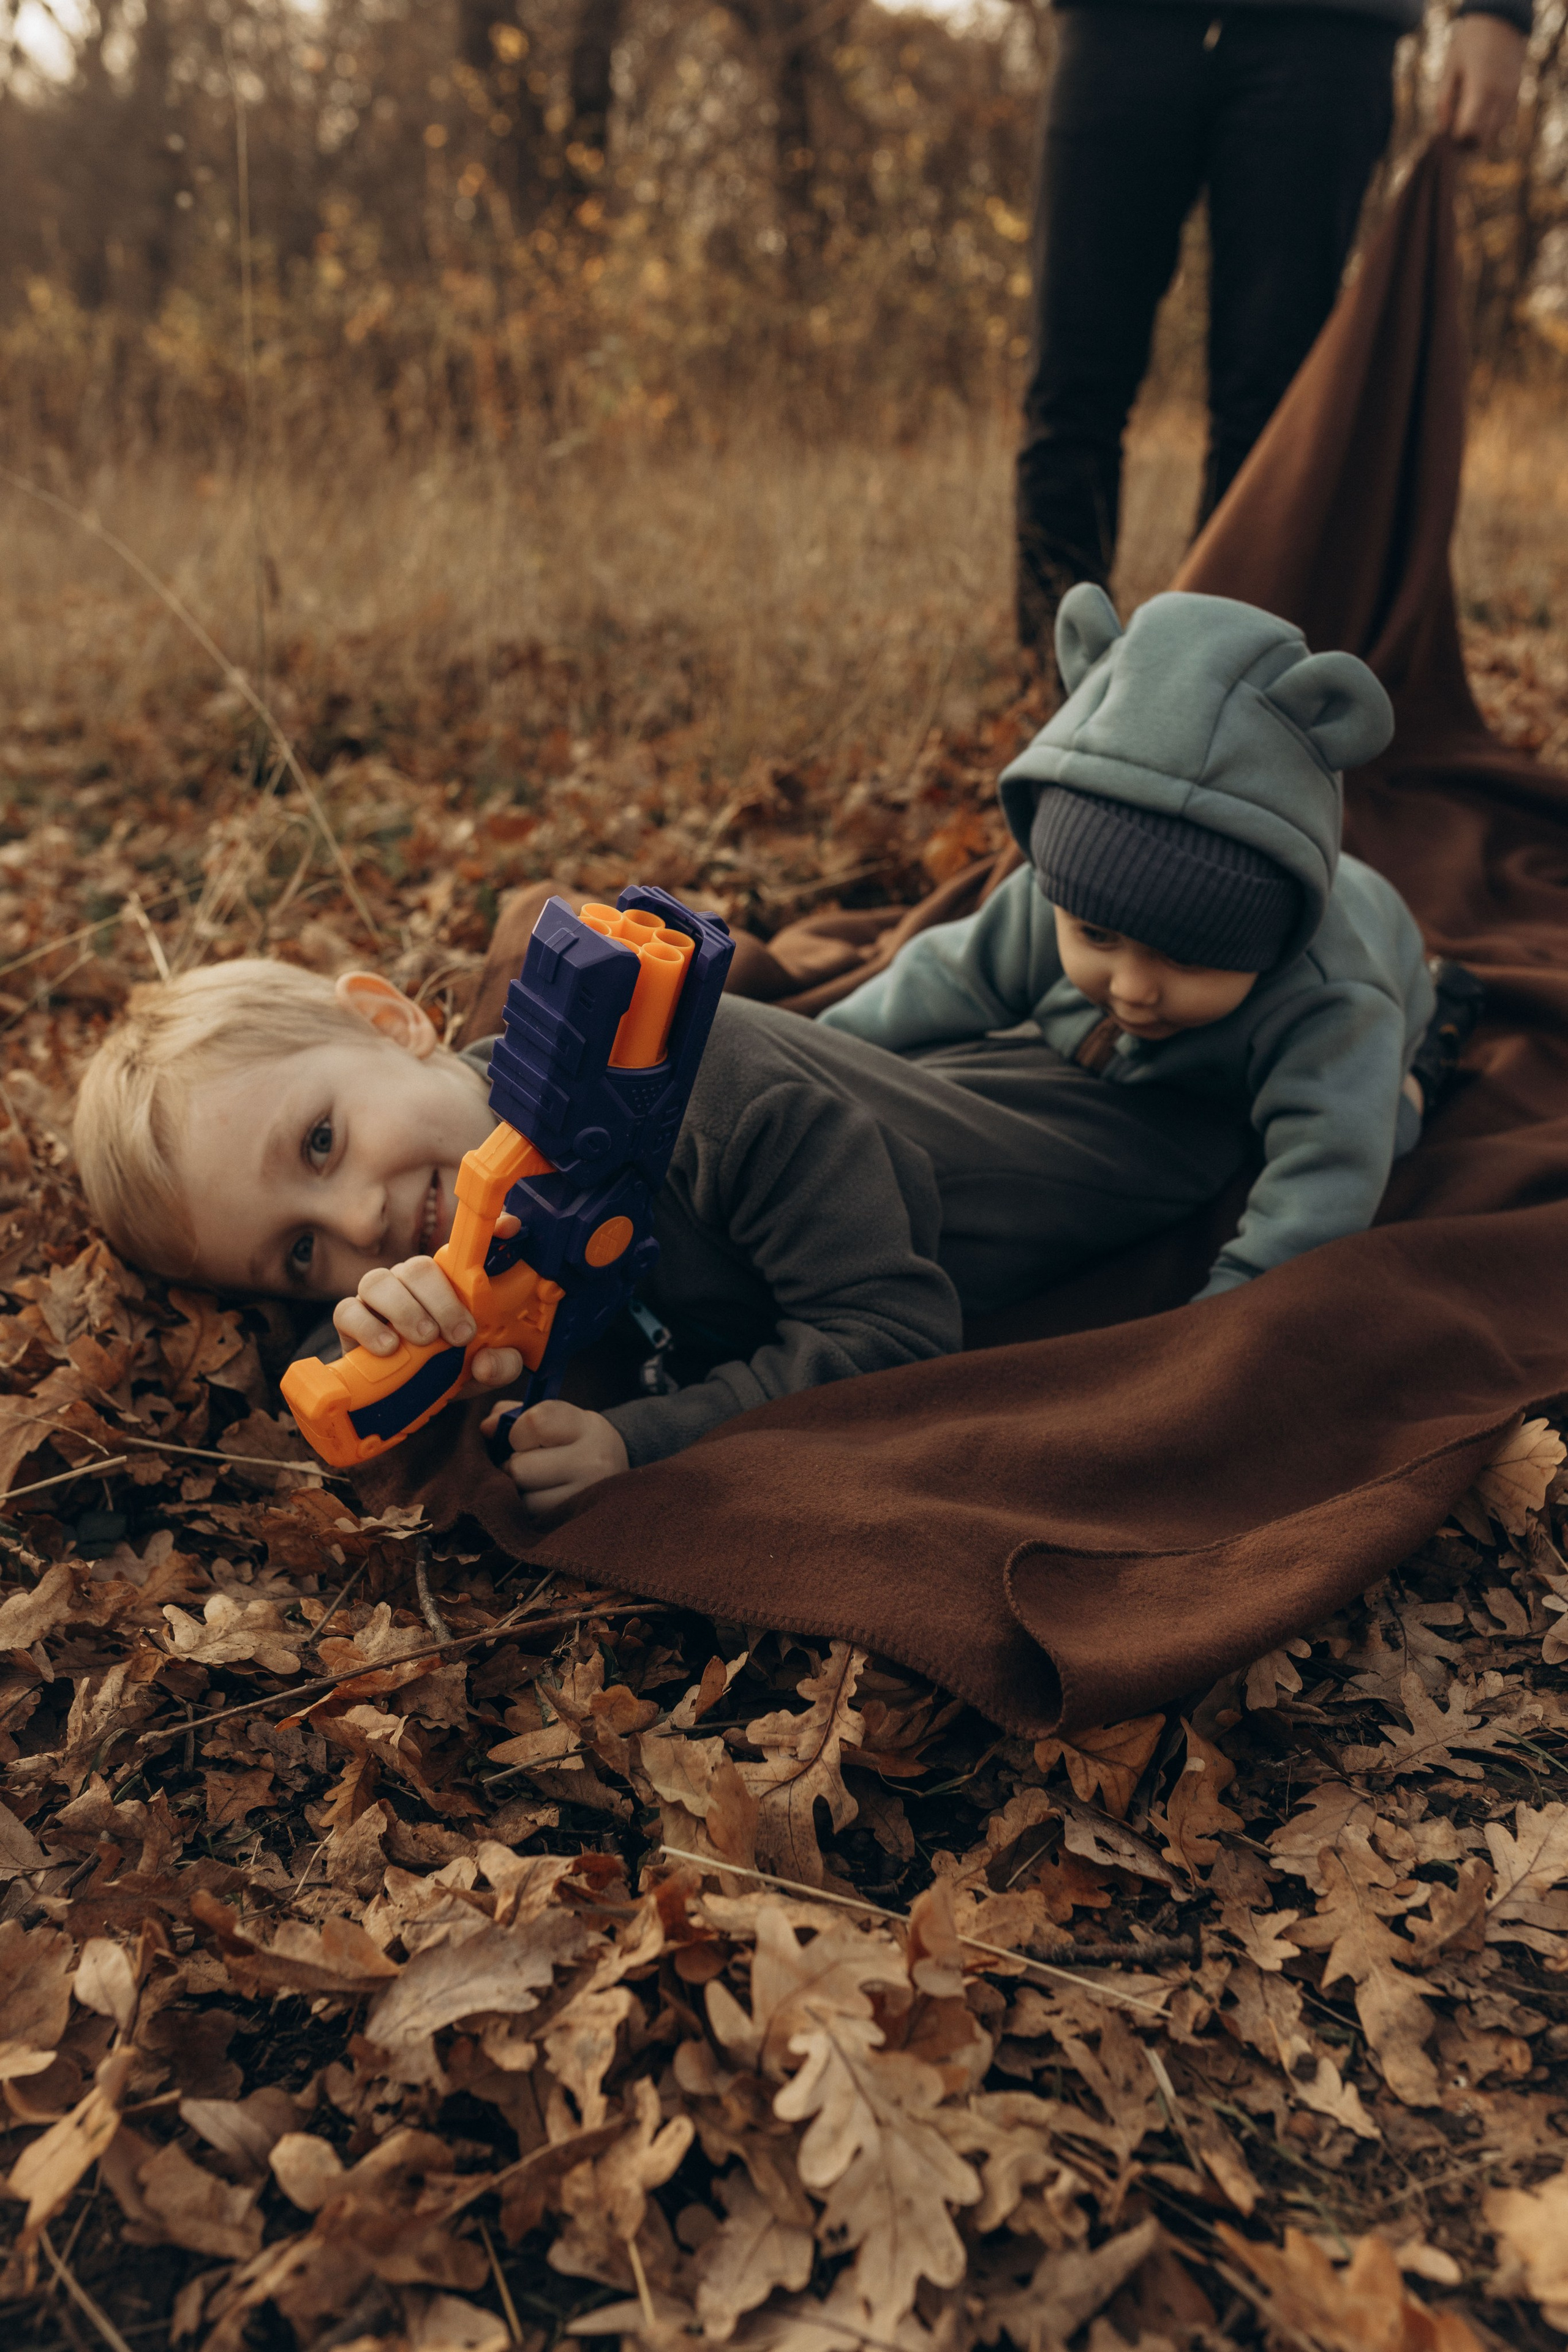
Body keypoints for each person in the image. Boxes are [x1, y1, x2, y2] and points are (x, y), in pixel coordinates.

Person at [821, 584, 1479, 1298]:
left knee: (1386, 1123)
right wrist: (827, 1050)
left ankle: (1441, 1027)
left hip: (1384, 992)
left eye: (1186, 957)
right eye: (1096, 937)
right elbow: (940, 980)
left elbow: (1329, 1172)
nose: (1131, 987)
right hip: (1143, 1057)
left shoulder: (1334, 1000)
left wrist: (1236, 1303)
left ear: (1263, 948)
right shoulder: (1056, 901)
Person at [1016, 4, 1531, 655]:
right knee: (1071, 382)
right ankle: (1050, 691)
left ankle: (1214, 692)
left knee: (1272, 410)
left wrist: (1497, 10)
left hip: (1326, 27)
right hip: (1119, 20)